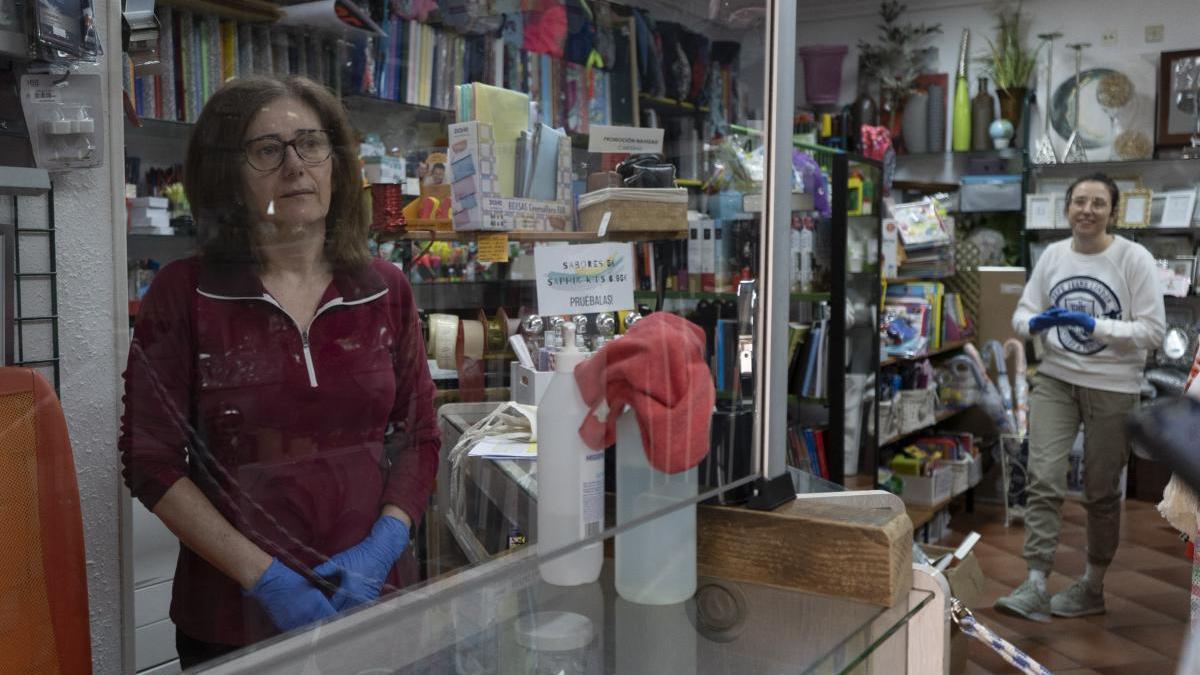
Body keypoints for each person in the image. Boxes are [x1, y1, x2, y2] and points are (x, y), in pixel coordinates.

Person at [119, 75, 439, 668]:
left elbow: (417, 433)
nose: (295, 166)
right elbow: (150, 459)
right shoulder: (185, 293)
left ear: (336, 163)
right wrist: (264, 578)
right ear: (228, 176)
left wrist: (385, 545)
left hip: (374, 602)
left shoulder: (384, 290)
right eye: (267, 150)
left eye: (311, 144)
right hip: (234, 616)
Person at [996, 173, 1164, 621]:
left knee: (1100, 490)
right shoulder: (1053, 255)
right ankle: (1034, 583)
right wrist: (1035, 324)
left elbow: (1153, 333)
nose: (1087, 210)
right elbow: (1022, 313)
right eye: (1079, 202)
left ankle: (1092, 586)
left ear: (1113, 211)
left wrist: (1095, 326)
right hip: (1056, 380)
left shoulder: (1134, 259)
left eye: (1098, 203)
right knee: (1043, 475)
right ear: (1067, 208)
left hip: (1115, 387)